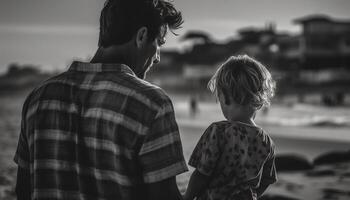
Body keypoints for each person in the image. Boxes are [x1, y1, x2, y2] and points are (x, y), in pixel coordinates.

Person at [14, 0, 188, 199]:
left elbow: (23, 190)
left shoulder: (38, 98)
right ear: (141, 36)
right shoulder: (151, 103)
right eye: (159, 43)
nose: (157, 57)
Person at [184, 55, 277, 200]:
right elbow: (267, 180)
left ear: (225, 97)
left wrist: (187, 198)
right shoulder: (266, 141)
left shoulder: (218, 131)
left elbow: (201, 174)